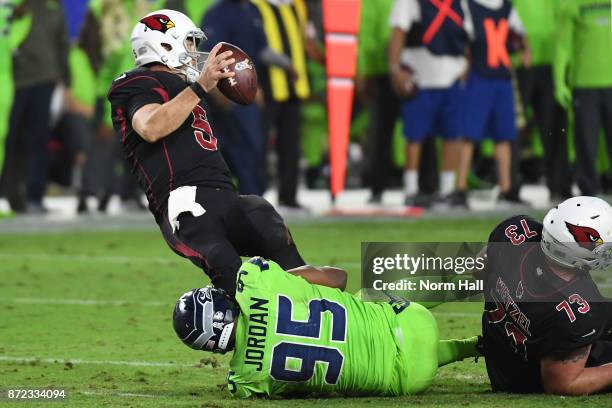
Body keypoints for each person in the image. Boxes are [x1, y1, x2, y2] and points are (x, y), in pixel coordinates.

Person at [107, 9, 305, 295]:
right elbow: (149, 126)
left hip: (224, 195)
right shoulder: (137, 82)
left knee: (264, 217)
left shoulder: (189, 87)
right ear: (164, 46)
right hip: (185, 204)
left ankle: (335, 308)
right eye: (188, 43)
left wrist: (227, 81)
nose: (194, 51)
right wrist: (201, 86)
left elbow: (233, 103)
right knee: (228, 269)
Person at [172, 257, 480, 398]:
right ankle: (471, 277)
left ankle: (472, 346)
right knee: (366, 296)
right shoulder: (255, 279)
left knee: (376, 364)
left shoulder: (245, 382)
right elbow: (339, 277)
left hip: (409, 381)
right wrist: (290, 284)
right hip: (412, 319)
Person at [479, 196, 612, 394]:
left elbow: (479, 267)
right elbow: (563, 384)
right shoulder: (580, 310)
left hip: (502, 353)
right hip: (526, 378)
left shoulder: (516, 233)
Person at [388, 0, 468, 208]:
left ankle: (448, 190)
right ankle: (411, 189)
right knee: (414, 136)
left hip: (452, 76)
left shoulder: (460, 2)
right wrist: (395, 69)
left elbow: (468, 34)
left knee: (453, 135)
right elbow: (398, 32)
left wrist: (467, 68)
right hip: (419, 76)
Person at [454, 0, 530, 208]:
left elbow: (520, 34)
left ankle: (506, 189)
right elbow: (462, 39)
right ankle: (459, 188)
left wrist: (525, 49)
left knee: (504, 135)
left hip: (502, 77)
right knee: (469, 134)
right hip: (479, 76)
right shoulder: (468, 5)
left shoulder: (506, 6)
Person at [1, 0, 69, 213]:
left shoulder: (54, 7)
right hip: (13, 80)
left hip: (43, 80)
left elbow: (62, 43)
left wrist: (65, 80)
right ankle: (8, 194)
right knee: (9, 139)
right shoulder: (11, 5)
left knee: (38, 140)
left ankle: (34, 196)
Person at [514, 0, 571, 202]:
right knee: (514, 128)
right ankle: (511, 188)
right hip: (519, 61)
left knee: (554, 128)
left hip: (551, 61)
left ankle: (560, 186)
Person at [554, 0, 612, 197]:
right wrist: (559, 81)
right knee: (586, 142)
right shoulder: (571, 5)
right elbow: (563, 45)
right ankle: (590, 193)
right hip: (584, 85)